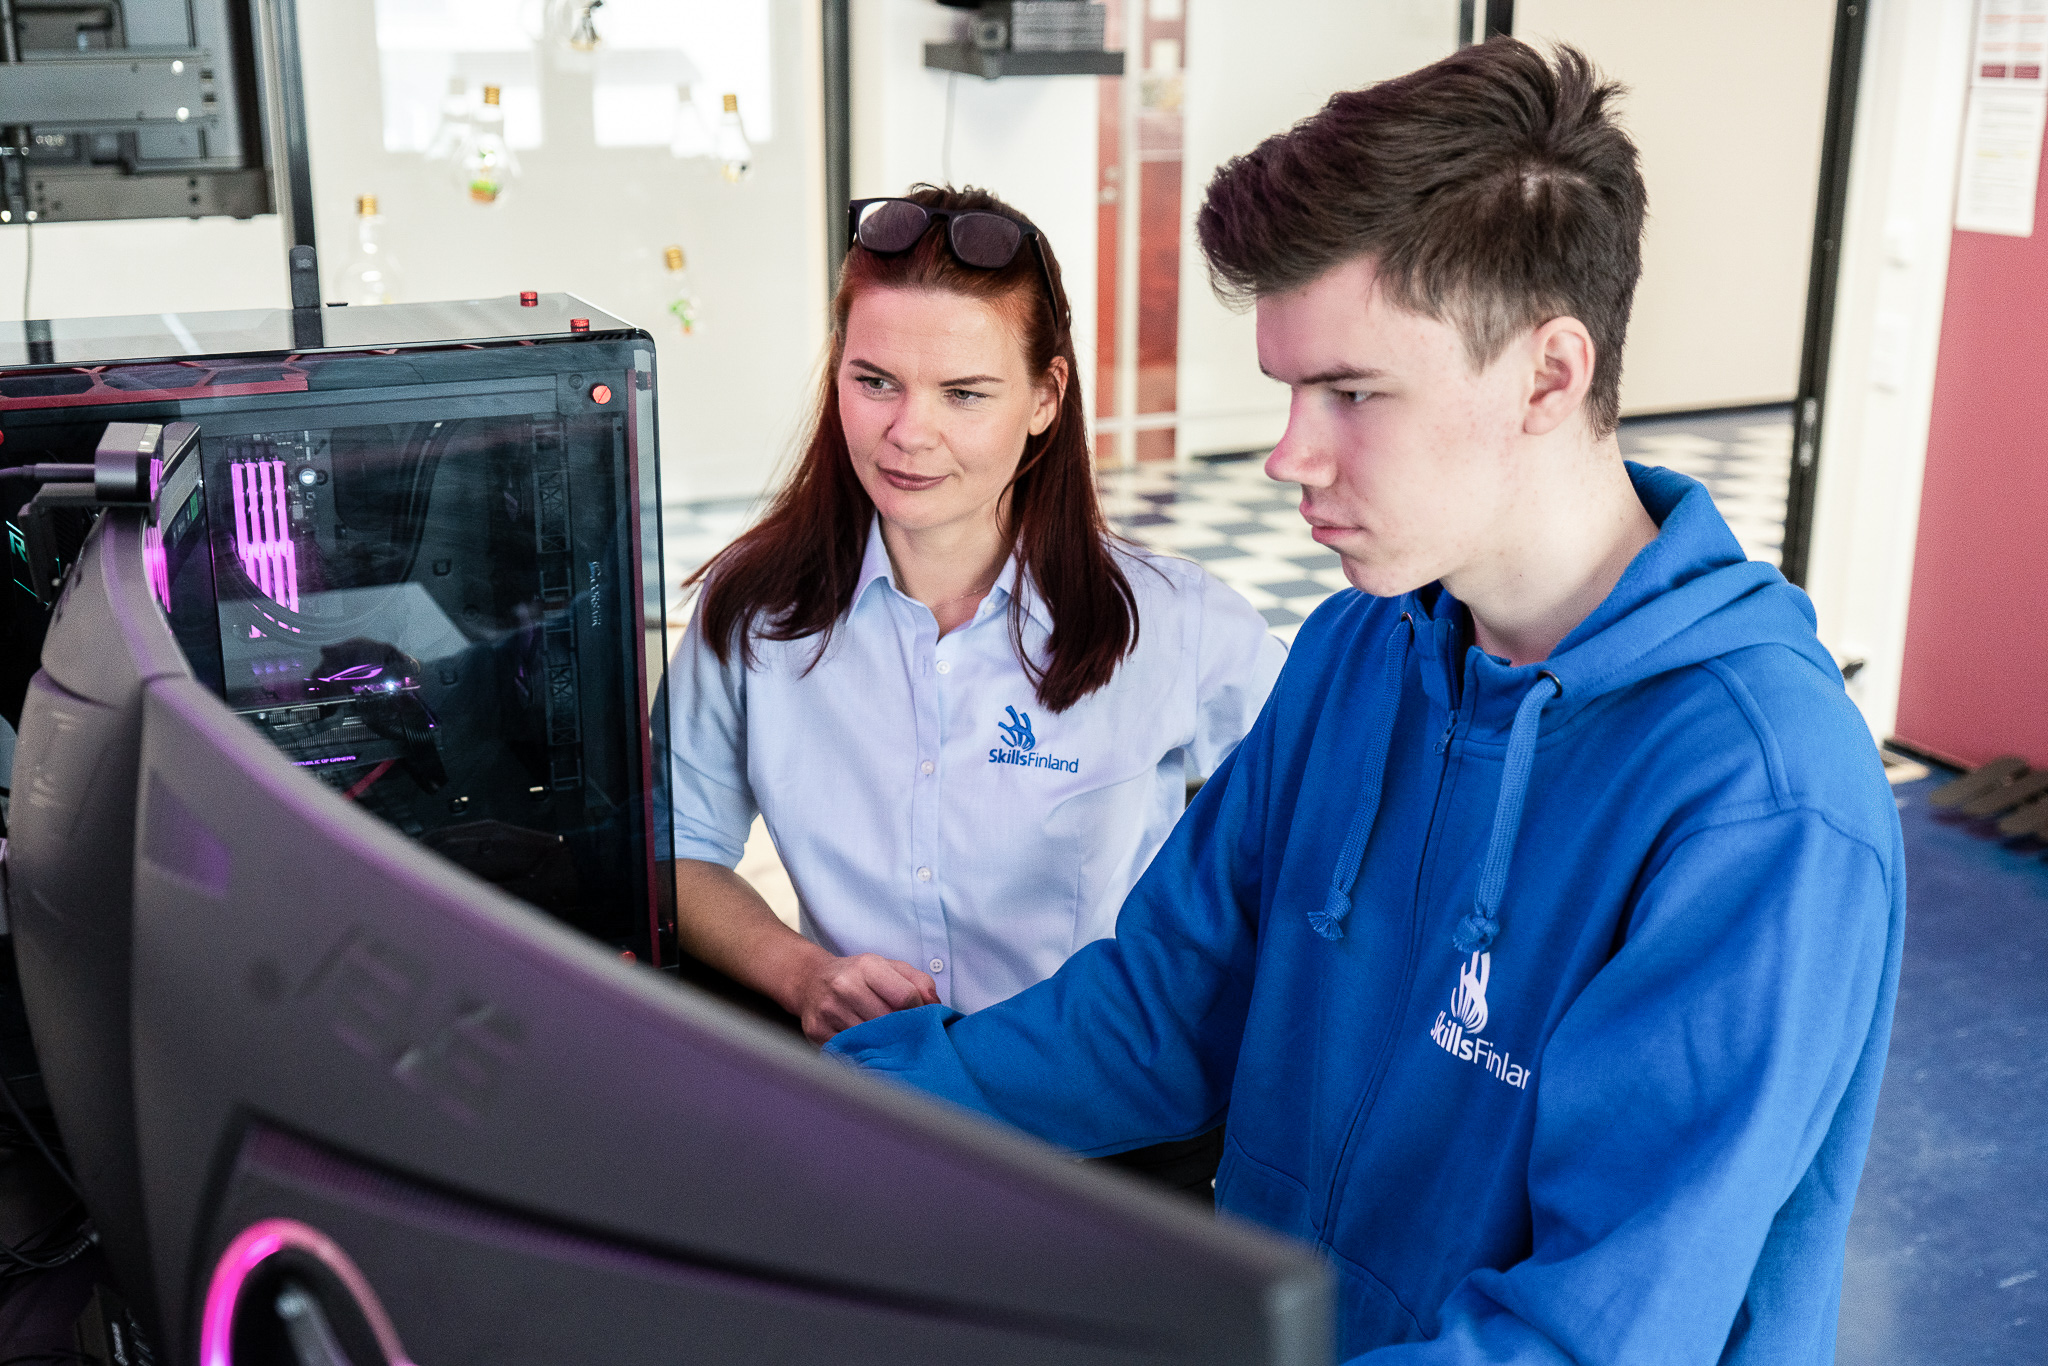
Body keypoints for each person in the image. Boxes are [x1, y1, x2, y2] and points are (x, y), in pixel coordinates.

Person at [826, 42, 1904, 1364]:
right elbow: (1163, 1014)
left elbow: (1591, 1334)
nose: (1289, 450)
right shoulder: (1354, 651)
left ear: (1548, 377)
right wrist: (828, 1109)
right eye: (1290, 388)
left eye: (1351, 391)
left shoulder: (1760, 799)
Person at [663, 185, 1284, 1191]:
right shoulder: (754, 613)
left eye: (964, 391)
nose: (909, 432)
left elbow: (1312, 868)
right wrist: (801, 973)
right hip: (878, 1115)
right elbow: (676, 848)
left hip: (1112, 1142)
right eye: (874, 381)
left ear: (1045, 397)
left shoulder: (1179, 625)